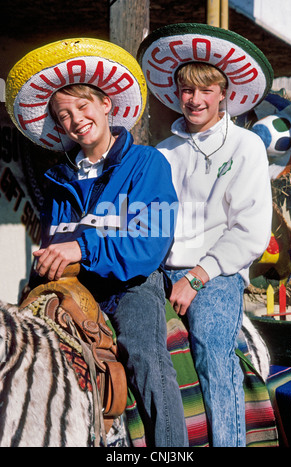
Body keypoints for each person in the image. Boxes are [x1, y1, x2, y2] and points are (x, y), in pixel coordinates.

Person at [6, 38, 188, 447]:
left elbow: (149, 245)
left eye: (82, 107)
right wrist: (48, 264)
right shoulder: (58, 180)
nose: (75, 120)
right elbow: (57, 242)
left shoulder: (147, 163)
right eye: (63, 115)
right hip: (77, 287)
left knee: (143, 354)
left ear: (106, 104)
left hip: (132, 284)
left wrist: (83, 249)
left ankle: (172, 448)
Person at [138, 23, 274, 446]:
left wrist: (197, 275)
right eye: (186, 90)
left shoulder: (246, 145)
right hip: (160, 271)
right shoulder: (162, 152)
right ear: (176, 93)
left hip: (215, 274)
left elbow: (250, 231)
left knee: (214, 355)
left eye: (205, 90)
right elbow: (149, 221)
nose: (194, 100)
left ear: (223, 94)